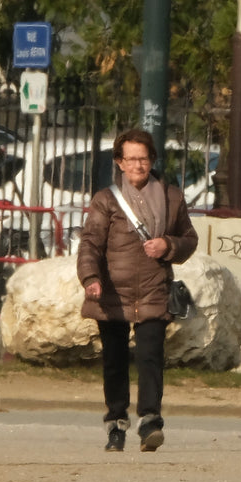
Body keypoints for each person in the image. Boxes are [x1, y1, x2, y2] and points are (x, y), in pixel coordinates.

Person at [78, 128, 197, 453]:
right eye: (130, 159)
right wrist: (90, 277)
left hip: (153, 289)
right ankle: (116, 423)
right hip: (112, 291)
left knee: (150, 358)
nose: (137, 165)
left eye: (143, 159)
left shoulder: (172, 197)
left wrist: (168, 245)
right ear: (119, 162)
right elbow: (90, 243)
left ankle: (150, 422)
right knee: (114, 361)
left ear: (152, 160)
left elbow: (190, 239)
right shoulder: (105, 200)